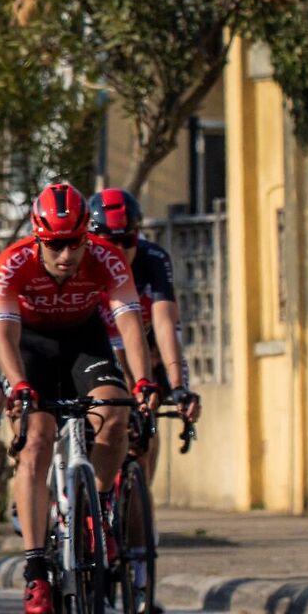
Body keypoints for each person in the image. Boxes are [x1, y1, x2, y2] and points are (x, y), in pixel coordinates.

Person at [0, 182, 157, 614]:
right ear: (38, 238)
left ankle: (97, 510)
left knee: (115, 413)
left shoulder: (107, 257)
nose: (66, 256)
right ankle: (36, 569)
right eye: (56, 245)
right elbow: (3, 335)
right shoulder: (12, 264)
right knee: (37, 443)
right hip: (31, 347)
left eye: (75, 244)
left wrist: (143, 382)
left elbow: (130, 323)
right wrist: (18, 384)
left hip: (84, 342)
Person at [87, 188, 200, 489]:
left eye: (128, 240)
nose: (121, 250)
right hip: (98, 344)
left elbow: (165, 324)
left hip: (145, 343)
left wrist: (178, 387)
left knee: (145, 422)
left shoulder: (153, 258)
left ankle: (141, 498)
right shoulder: (83, 260)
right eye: (112, 242)